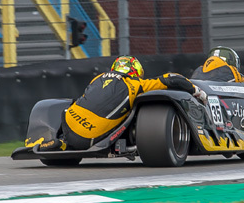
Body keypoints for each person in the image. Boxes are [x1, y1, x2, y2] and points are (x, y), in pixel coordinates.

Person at [40, 56, 207, 151]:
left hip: (68, 123)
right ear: (136, 72)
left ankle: (61, 141)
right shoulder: (136, 84)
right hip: (92, 138)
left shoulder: (98, 78)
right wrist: (196, 91)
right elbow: (172, 78)